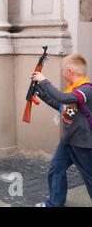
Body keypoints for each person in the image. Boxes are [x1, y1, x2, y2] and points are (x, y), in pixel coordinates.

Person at [32, 54, 92, 207]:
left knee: (90, 178)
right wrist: (39, 92)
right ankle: (54, 203)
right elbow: (61, 106)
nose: (62, 73)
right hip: (67, 141)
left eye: (63, 70)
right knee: (56, 170)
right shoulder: (72, 90)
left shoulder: (86, 91)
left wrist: (43, 81)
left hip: (83, 144)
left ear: (70, 71)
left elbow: (63, 98)